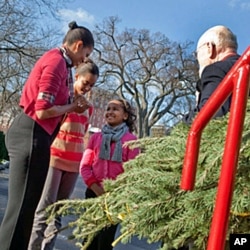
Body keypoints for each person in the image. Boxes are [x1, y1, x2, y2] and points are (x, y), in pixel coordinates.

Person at [0, 21, 95, 250]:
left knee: (27, 208)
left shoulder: (62, 64)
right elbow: (42, 110)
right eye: (86, 53)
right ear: (78, 45)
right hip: (30, 134)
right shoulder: (55, 63)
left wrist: (72, 105)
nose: (84, 60)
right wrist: (71, 108)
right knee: (22, 209)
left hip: (37, 135)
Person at [28, 58, 99, 250]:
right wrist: (72, 106)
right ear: (77, 77)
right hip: (55, 158)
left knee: (58, 211)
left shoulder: (89, 107)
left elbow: (82, 133)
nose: (88, 88)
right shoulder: (64, 98)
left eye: (92, 85)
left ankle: (47, 247)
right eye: (85, 83)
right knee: (45, 209)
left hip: (74, 163)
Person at [80, 98, 139, 250]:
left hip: (114, 198)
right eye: (108, 108)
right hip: (93, 193)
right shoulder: (95, 138)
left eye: (115, 109)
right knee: (88, 239)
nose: (110, 112)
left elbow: (132, 172)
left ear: (125, 116)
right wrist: (95, 188)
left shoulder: (131, 141)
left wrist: (117, 193)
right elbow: (85, 167)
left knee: (105, 241)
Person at [183, 25, 240, 124]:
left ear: (210, 47)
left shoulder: (215, 70)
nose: (197, 59)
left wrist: (185, 120)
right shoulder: (243, 68)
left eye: (197, 53)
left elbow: (211, 117)